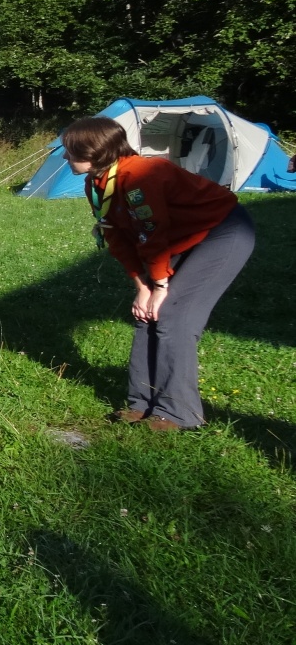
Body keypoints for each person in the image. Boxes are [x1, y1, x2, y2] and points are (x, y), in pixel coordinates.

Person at [61, 116, 256, 432]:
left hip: (222, 231)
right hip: (175, 238)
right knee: (146, 314)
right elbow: (117, 237)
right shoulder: (96, 184)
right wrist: (141, 286)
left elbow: (151, 235)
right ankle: (142, 403)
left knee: (174, 317)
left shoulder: (140, 177)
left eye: (70, 152)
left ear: (94, 153)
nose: (65, 157)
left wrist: (160, 285)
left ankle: (177, 413)